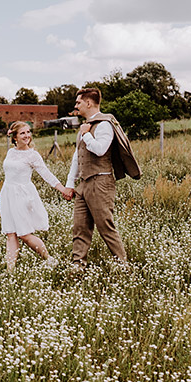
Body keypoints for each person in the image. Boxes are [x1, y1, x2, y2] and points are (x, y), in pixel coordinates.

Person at [62, 88, 130, 268]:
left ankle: (123, 265)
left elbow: (100, 149)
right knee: (80, 228)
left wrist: (86, 134)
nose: (76, 106)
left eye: (78, 103)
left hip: (101, 182)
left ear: (89, 103)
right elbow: (77, 157)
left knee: (105, 227)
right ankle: (78, 267)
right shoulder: (84, 126)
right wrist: (70, 184)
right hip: (83, 184)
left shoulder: (105, 124)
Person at [0, 121, 71, 272]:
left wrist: (63, 189)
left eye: (28, 132)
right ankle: (10, 270)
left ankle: (49, 259)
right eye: (22, 133)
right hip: (8, 194)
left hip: (22, 195)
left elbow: (46, 174)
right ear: (15, 137)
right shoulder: (11, 152)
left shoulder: (33, 155)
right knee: (10, 233)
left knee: (24, 234)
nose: (27, 136)